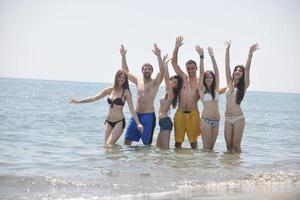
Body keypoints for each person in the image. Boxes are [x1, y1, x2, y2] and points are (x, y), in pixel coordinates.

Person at [69, 69, 143, 147]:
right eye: (119, 77)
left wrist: (138, 123)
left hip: (119, 122)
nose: (121, 79)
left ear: (126, 80)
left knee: (109, 144)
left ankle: (119, 157)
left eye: (124, 78)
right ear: (116, 77)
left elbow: (131, 109)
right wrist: (78, 101)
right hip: (108, 121)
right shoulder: (109, 90)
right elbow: (94, 98)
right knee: (106, 146)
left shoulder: (126, 92)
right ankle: (116, 157)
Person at [120, 44, 165, 145]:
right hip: (136, 115)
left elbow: (162, 72)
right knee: (127, 141)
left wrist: (158, 56)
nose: (147, 70)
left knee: (146, 145)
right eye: (145, 69)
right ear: (142, 71)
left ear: (152, 71)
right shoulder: (138, 80)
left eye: (149, 69)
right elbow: (125, 72)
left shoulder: (155, 82)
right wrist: (123, 56)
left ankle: (145, 161)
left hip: (148, 116)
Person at [224, 40, 259, 153]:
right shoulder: (230, 83)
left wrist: (250, 54)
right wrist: (227, 51)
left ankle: (238, 166)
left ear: (243, 74)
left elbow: (247, 68)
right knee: (228, 145)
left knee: (236, 145)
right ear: (234, 72)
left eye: (240, 71)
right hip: (227, 118)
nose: (238, 72)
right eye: (236, 70)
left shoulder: (244, 85)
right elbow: (227, 65)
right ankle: (230, 168)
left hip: (239, 118)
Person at [171, 36, 201, 149]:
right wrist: (176, 47)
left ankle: (193, 166)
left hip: (194, 114)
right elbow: (174, 63)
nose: (190, 70)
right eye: (188, 68)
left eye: (192, 68)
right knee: (177, 143)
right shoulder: (183, 78)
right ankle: (178, 165)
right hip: (180, 113)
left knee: (194, 143)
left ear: (196, 68)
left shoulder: (199, 82)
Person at [196, 45, 221, 150]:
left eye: (211, 77)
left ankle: (210, 167)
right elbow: (201, 73)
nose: (209, 79)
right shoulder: (201, 89)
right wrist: (202, 57)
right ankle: (203, 167)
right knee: (206, 148)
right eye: (207, 78)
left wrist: (212, 57)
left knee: (211, 148)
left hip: (216, 122)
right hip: (206, 120)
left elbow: (217, 72)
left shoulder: (216, 88)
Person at [156, 55, 183, 149]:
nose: (171, 82)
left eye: (174, 82)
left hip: (165, 122)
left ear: (176, 86)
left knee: (165, 147)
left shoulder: (172, 94)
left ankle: (167, 163)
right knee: (158, 147)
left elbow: (165, 78)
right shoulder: (167, 93)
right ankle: (159, 164)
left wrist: (165, 64)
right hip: (162, 121)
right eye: (172, 80)